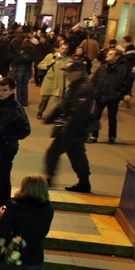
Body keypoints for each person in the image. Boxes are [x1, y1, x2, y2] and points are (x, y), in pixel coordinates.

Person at [44, 61, 95, 192]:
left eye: (70, 71)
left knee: (54, 152)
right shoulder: (75, 86)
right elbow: (64, 104)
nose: (67, 74)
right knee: (77, 156)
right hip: (74, 130)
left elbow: (78, 114)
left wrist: (66, 130)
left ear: (79, 72)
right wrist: (52, 116)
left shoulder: (84, 88)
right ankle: (84, 183)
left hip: (74, 130)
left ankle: (49, 179)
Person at [0, 78, 31, 219]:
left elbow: (25, 130)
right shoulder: (0, 105)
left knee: (2, 178)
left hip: (5, 149)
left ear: (12, 90)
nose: (1, 93)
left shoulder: (15, 108)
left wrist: (6, 137)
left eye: (4, 90)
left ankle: (2, 205)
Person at [89, 47, 131, 144]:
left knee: (112, 118)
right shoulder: (102, 67)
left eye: (111, 54)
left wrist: (120, 93)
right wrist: (94, 91)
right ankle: (93, 136)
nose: (107, 55)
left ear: (117, 57)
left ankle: (112, 136)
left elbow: (127, 83)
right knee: (95, 117)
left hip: (113, 97)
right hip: (100, 95)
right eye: (108, 54)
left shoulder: (122, 69)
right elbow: (94, 80)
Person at [36, 41, 70, 120]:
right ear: (58, 49)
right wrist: (49, 64)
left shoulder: (68, 60)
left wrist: (68, 85)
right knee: (44, 99)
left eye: (66, 49)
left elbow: (69, 74)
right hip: (50, 81)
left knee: (58, 101)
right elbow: (40, 66)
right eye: (62, 48)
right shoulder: (50, 56)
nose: (64, 50)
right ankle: (40, 111)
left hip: (60, 83)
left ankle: (55, 116)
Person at [11, 36, 36, 106]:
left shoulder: (21, 53)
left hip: (20, 70)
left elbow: (16, 61)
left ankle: (19, 102)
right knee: (25, 86)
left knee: (19, 86)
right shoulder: (32, 53)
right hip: (28, 70)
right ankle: (25, 101)